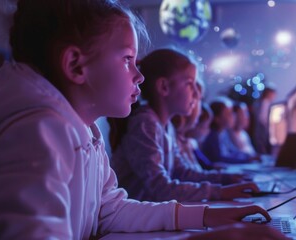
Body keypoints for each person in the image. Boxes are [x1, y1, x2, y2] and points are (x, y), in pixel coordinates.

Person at [0, 0, 288, 239]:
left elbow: (111, 211)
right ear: (75, 65)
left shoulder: (84, 130)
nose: (139, 75)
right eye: (127, 59)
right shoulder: (38, 130)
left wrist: (206, 215)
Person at [109, 48, 258, 202]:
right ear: (164, 87)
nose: (197, 93)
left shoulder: (166, 126)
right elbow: (160, 188)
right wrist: (219, 192)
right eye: (189, 84)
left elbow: (183, 172)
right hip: (138, 221)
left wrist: (227, 179)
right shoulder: (145, 124)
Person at [171, 81, 243, 184]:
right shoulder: (180, 141)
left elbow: (193, 172)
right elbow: (187, 175)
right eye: (196, 100)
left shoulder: (185, 141)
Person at [202, 96, 259, 164]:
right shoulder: (212, 136)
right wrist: (247, 160)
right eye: (228, 114)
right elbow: (219, 158)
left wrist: (248, 156)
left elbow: (233, 151)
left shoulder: (224, 133)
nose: (234, 116)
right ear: (217, 118)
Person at [250, 85, 277, 154]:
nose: (274, 96)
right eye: (273, 94)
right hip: (262, 130)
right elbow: (262, 118)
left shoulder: (260, 103)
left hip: (260, 130)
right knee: (262, 148)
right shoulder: (265, 103)